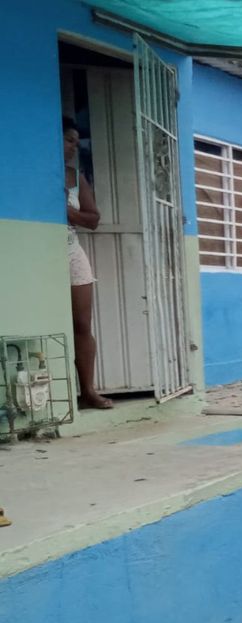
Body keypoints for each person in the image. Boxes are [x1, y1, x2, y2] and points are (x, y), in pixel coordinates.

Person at [63, 117, 112, 410]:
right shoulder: (35, 170)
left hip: (71, 250)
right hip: (39, 250)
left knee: (82, 323)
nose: (73, 147)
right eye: (69, 140)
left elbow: (93, 219)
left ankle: (88, 391)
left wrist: (69, 212)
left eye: (76, 143)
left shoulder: (75, 176)